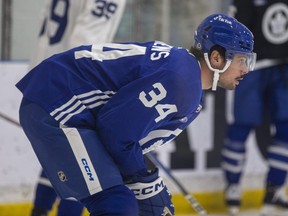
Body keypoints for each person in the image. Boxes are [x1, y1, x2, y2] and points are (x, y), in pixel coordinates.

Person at [16, 13, 255, 216]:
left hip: (67, 106)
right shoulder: (181, 80)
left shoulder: (185, 77)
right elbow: (116, 131)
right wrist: (142, 177)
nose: (245, 69)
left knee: (116, 196)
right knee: (115, 202)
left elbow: (122, 134)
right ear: (216, 57)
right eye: (242, 60)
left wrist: (143, 176)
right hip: (57, 102)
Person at [28, 0, 127, 215]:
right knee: (84, 162)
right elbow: (84, 41)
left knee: (60, 154)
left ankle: (39, 211)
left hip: (41, 76)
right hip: (69, 80)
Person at [221, 1, 288, 216]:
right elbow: (235, 28)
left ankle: (273, 190)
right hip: (252, 68)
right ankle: (232, 186)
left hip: (284, 67)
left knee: (286, 129)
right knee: (242, 125)